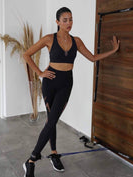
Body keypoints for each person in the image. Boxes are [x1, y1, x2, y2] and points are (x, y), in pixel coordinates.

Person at [22, 7, 120, 177]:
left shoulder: (77, 41)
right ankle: (40, 157)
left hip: (66, 84)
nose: (69, 23)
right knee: (51, 121)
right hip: (50, 83)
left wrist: (113, 51)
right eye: (65, 20)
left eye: (71, 19)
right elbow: (27, 54)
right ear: (57, 22)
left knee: (52, 121)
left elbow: (93, 58)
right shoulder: (48, 39)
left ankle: (35, 159)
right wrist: (40, 73)